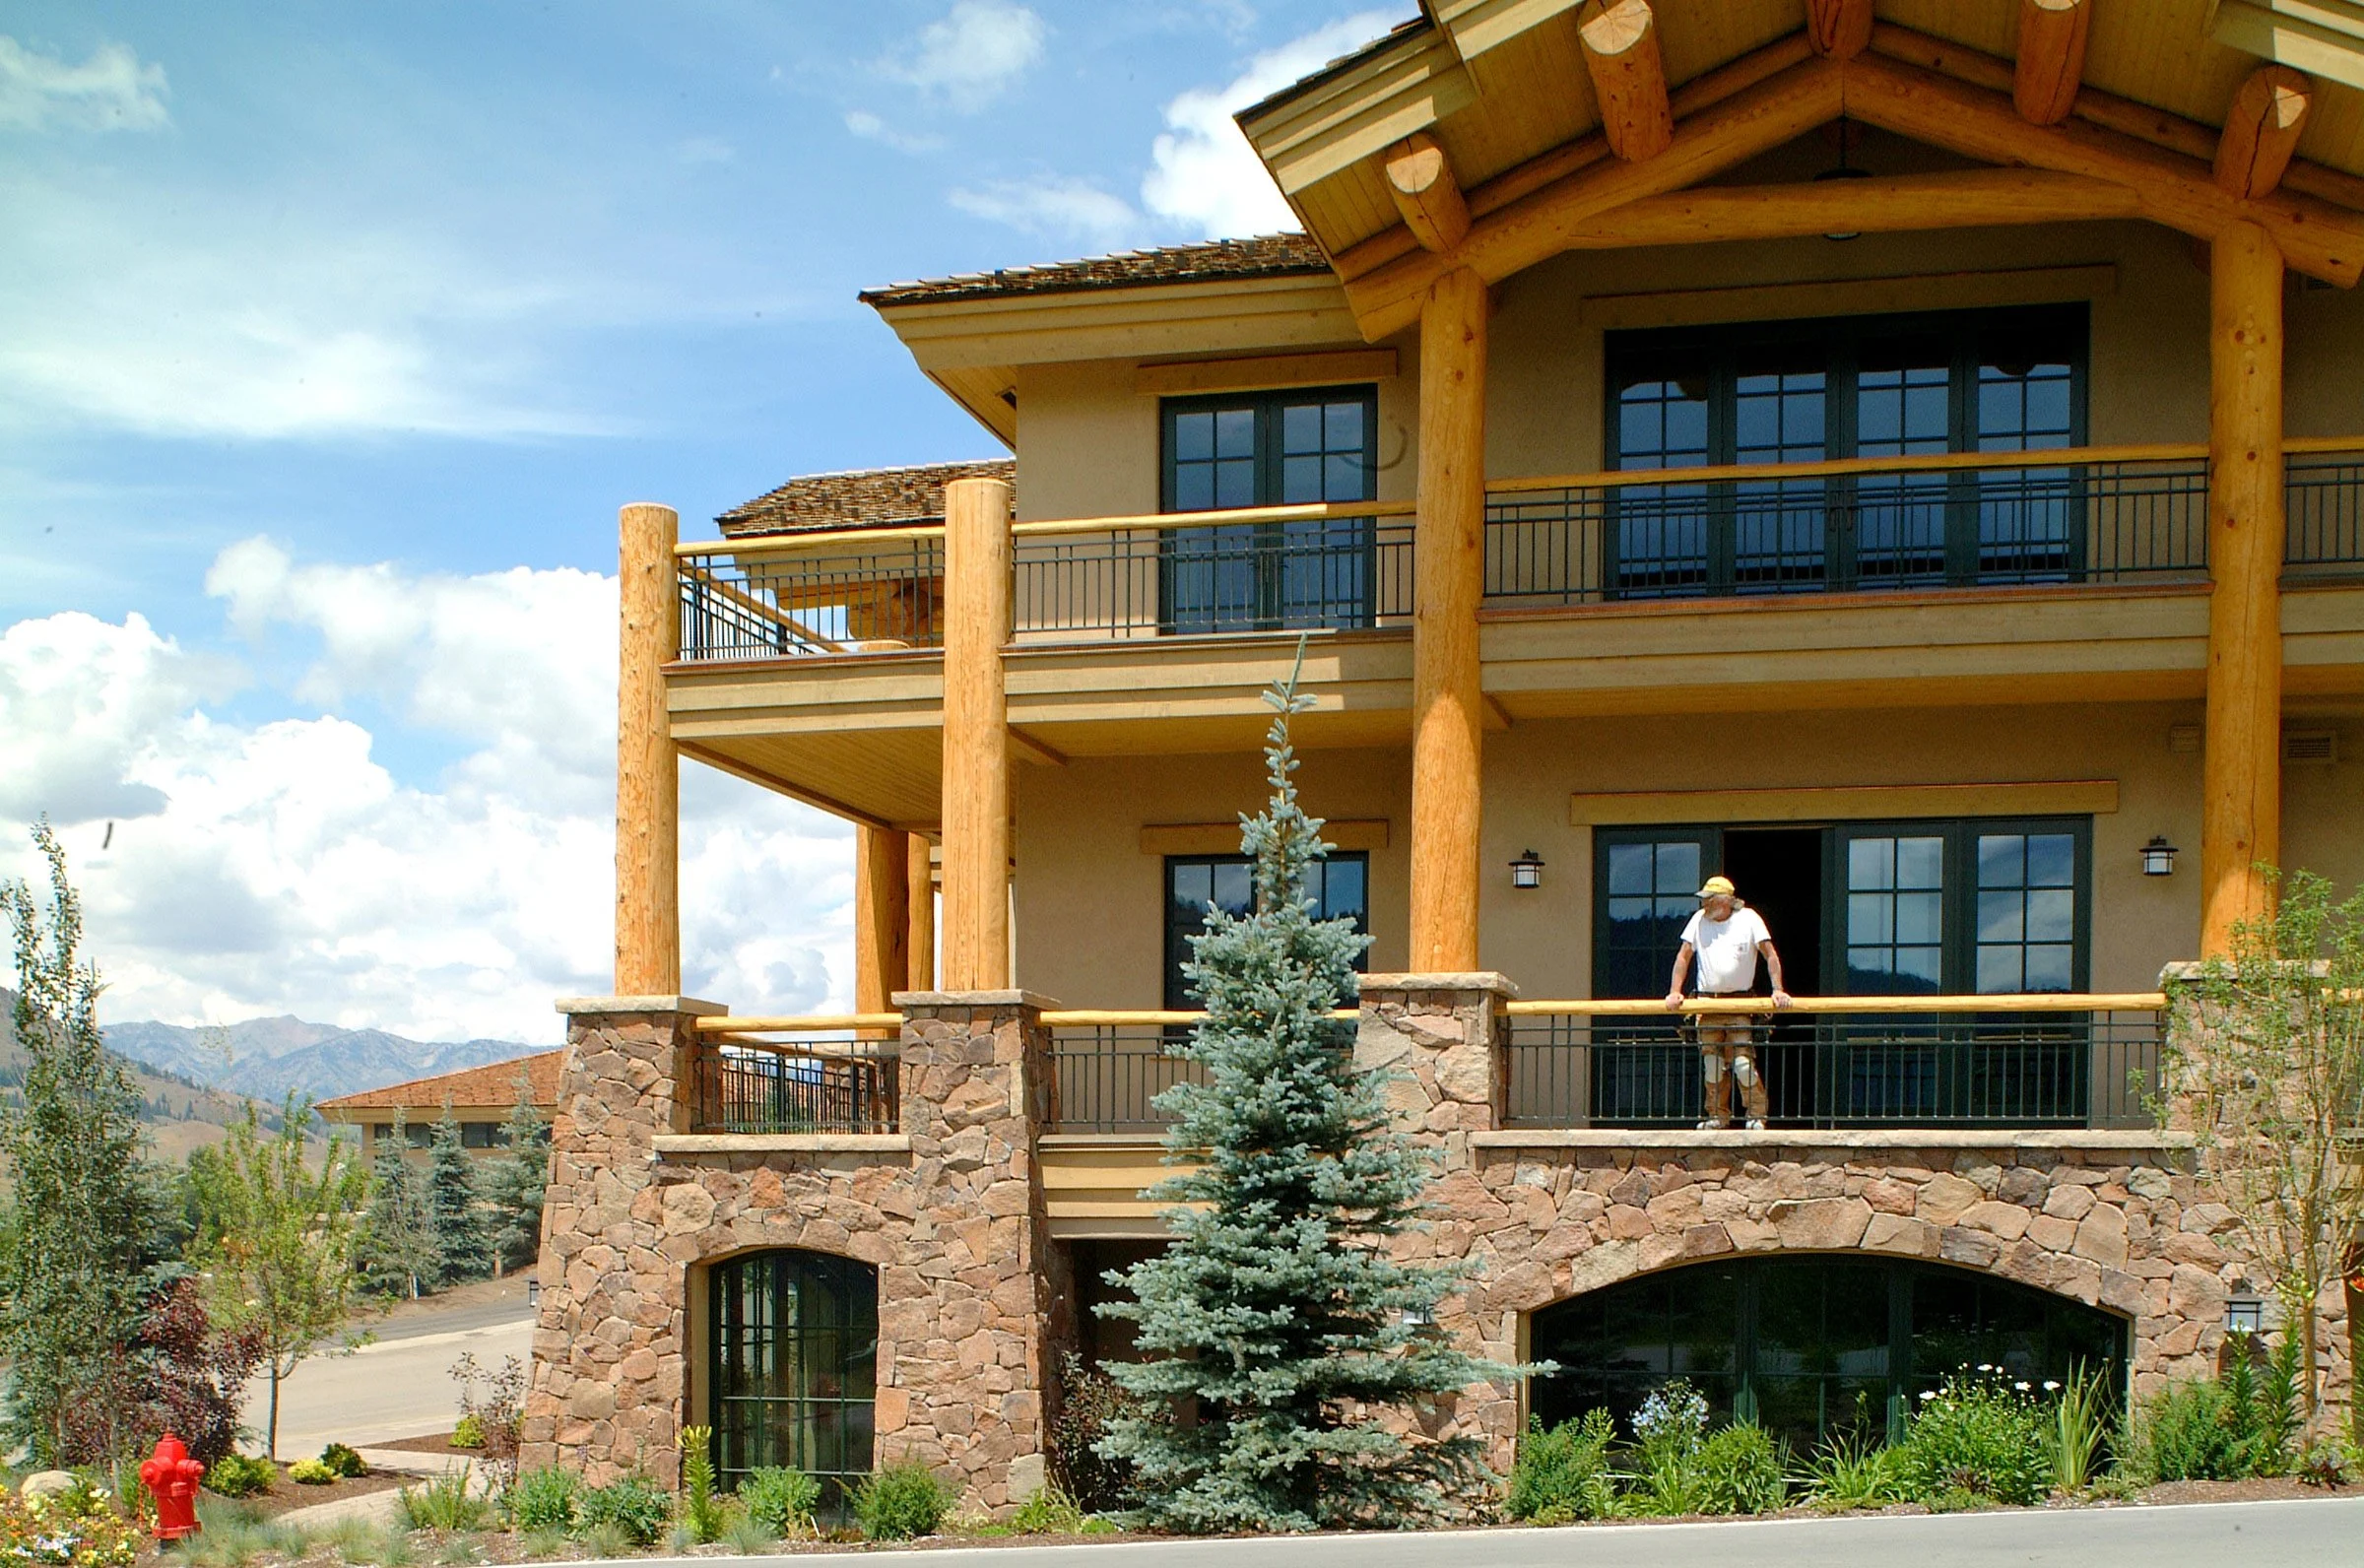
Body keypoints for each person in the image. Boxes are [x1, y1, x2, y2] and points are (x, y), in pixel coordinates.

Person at [1665, 875, 1792, 1131]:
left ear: (1725, 901)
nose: (1705, 905)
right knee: (1711, 1065)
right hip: (1707, 1004)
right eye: (1704, 901)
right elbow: (1683, 957)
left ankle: (1756, 1114)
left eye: (1710, 900)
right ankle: (1717, 1116)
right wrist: (1674, 992)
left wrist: (1778, 990)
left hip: (1739, 1004)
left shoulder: (1749, 919)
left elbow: (1770, 955)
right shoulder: (1698, 922)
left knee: (1742, 1064)